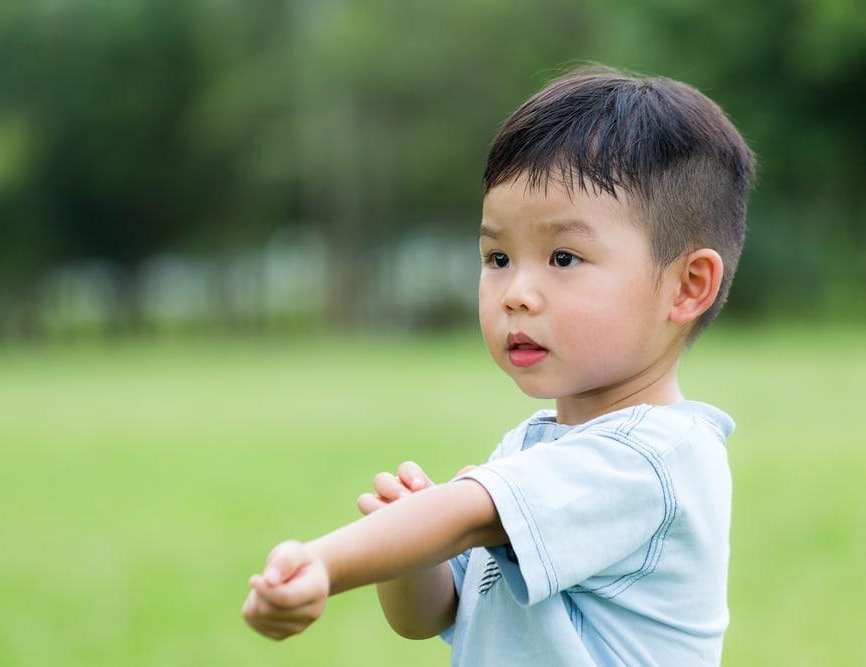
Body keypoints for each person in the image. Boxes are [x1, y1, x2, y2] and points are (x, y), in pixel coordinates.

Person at [241, 64, 756, 666]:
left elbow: (462, 518)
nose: (517, 292)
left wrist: (324, 562)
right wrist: (414, 553)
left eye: (563, 257)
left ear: (687, 286)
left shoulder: (651, 459)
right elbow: (434, 614)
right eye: (498, 256)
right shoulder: (536, 445)